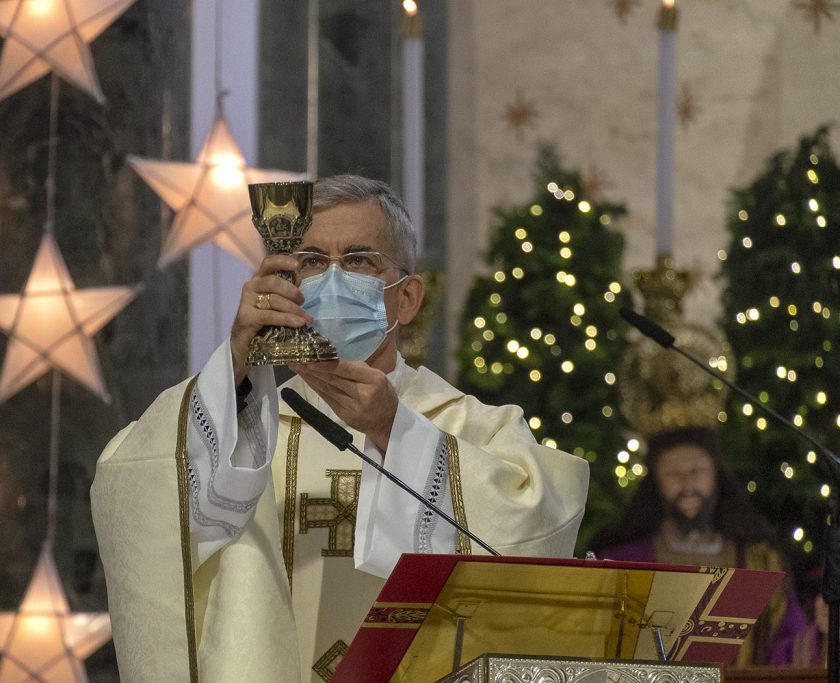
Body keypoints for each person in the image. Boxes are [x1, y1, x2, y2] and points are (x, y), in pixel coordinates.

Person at [91, 174, 590, 682]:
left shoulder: (473, 426)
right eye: (310, 261)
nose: (332, 279)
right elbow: (137, 492)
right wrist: (238, 360)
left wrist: (395, 431)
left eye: (357, 260)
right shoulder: (242, 426)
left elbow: (532, 540)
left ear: (408, 298)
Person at [591, 426, 820, 666]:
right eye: (672, 473)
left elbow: (785, 650)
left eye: (697, 470)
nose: (687, 484)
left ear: (716, 475)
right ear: (655, 481)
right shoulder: (621, 563)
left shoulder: (762, 563)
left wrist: (824, 633)